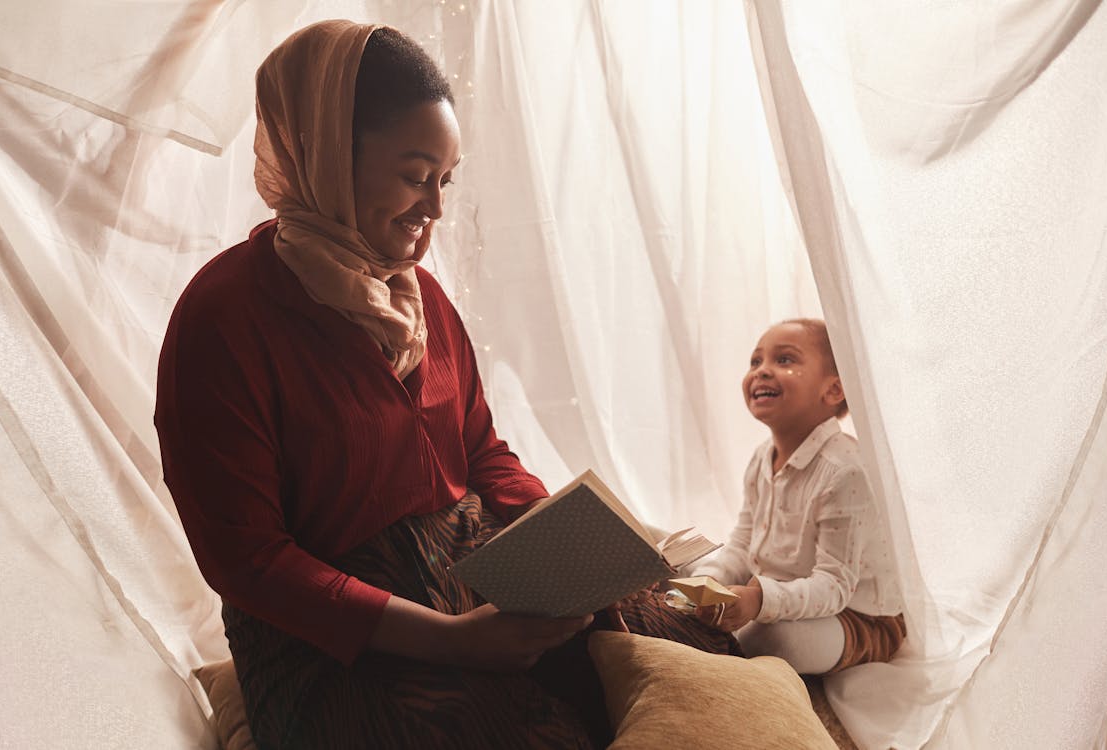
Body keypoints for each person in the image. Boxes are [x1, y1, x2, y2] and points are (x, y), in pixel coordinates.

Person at [155, 20, 735, 750]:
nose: (433, 207)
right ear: (330, 152)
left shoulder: (417, 294)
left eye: (445, 180)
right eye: (413, 174)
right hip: (337, 636)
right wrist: (453, 641)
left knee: (679, 645)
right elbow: (250, 563)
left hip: (476, 566)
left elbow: (480, 448)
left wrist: (575, 546)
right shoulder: (223, 319)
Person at [686, 319, 905, 675]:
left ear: (834, 391)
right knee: (690, 568)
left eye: (784, 360)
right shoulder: (762, 458)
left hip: (857, 616)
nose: (762, 372)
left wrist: (759, 599)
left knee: (775, 641)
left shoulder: (845, 471)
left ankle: (712, 642)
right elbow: (743, 542)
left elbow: (833, 587)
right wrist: (709, 580)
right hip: (784, 593)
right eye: (755, 362)